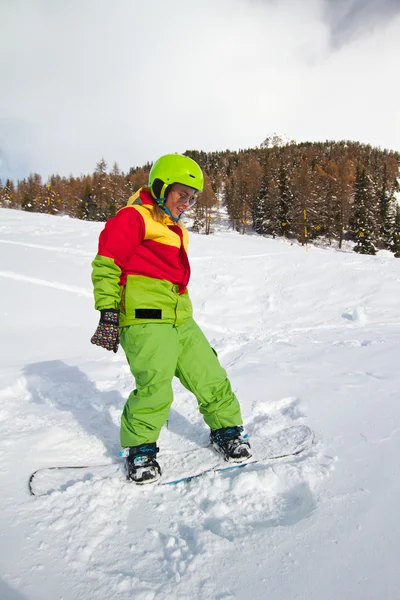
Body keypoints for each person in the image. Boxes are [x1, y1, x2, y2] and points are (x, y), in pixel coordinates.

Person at [90, 153, 251, 483]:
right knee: (155, 387)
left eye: (192, 198)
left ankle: (227, 431)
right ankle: (141, 450)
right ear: (161, 187)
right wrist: (108, 312)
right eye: (182, 195)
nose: (186, 204)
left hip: (181, 317)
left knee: (210, 376)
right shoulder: (133, 218)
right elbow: (107, 264)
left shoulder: (176, 230)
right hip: (145, 318)